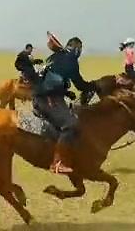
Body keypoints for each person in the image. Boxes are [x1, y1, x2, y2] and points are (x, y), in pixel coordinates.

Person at [33, 33, 96, 174]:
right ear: (75, 48)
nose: (79, 51)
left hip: (45, 96)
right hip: (49, 99)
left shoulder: (56, 56)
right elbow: (79, 84)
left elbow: (55, 79)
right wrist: (94, 86)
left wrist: (66, 92)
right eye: (79, 48)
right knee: (71, 124)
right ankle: (57, 163)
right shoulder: (71, 60)